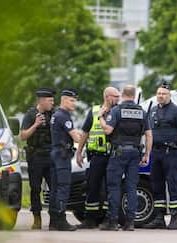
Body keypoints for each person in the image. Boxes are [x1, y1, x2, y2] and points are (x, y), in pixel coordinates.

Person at [97, 85, 152, 231]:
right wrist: (147, 154)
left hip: (119, 153)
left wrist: (100, 117)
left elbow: (108, 130)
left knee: (114, 187)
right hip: (135, 153)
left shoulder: (116, 111)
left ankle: (113, 221)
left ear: (122, 94)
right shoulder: (142, 112)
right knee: (132, 187)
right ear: (134, 95)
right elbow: (148, 135)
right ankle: (130, 223)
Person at [143, 81, 177, 230]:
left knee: (172, 184)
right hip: (155, 153)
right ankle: (159, 217)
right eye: (158, 93)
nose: (160, 96)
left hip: (171, 152)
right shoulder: (152, 110)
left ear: (169, 95)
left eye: (163, 94)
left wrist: (170, 141)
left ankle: (175, 217)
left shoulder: (176, 111)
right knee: (157, 185)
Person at [76, 86, 120, 229]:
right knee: (92, 186)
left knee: (109, 188)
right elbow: (85, 132)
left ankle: (108, 218)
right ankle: (90, 219)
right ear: (107, 97)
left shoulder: (117, 111)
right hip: (96, 156)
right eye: (115, 97)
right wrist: (79, 151)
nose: (118, 99)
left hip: (112, 156)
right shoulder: (94, 111)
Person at [20, 87, 55, 230]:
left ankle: (54, 219)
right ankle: (37, 219)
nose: (52, 103)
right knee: (35, 189)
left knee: (54, 188)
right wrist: (35, 124)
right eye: (50, 100)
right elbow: (23, 136)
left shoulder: (53, 114)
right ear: (41, 101)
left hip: (51, 156)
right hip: (36, 158)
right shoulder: (30, 115)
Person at [49, 88, 82, 231]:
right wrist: (85, 137)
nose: (74, 104)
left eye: (75, 101)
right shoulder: (64, 116)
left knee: (55, 188)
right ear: (63, 100)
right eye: (71, 100)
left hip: (55, 154)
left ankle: (53, 221)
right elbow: (76, 137)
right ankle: (61, 220)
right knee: (63, 187)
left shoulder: (56, 115)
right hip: (62, 156)